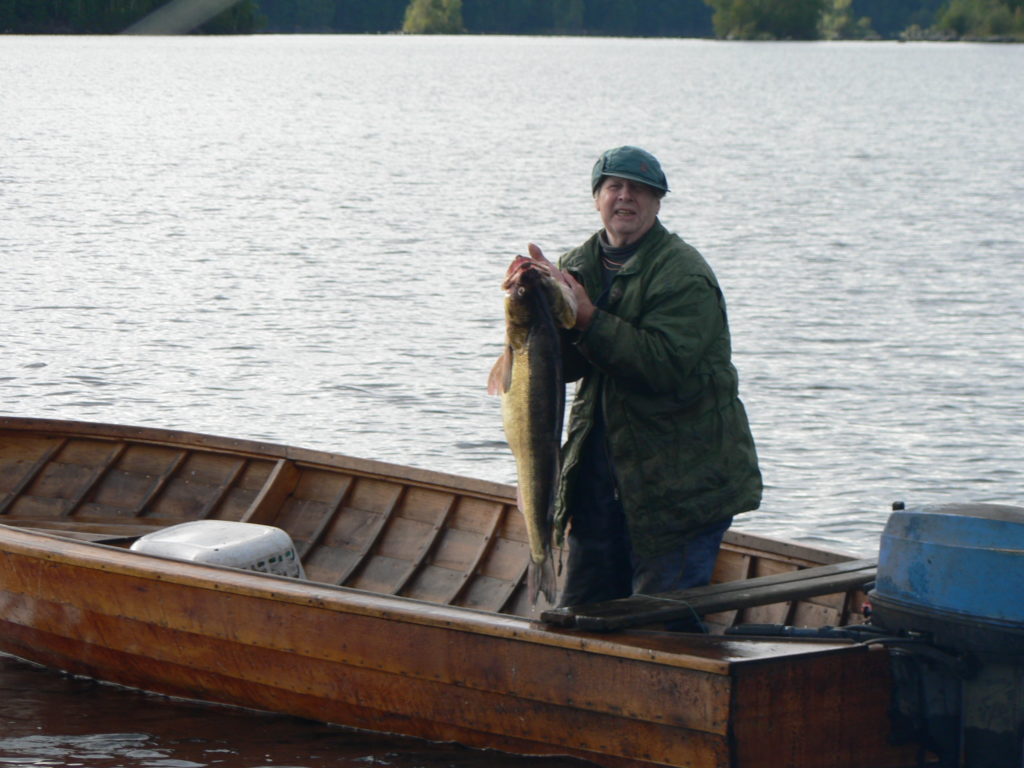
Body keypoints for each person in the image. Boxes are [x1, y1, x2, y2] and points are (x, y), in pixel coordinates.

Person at [540, 146, 762, 616]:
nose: (626, 198)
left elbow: (664, 365)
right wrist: (534, 308)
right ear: (596, 197)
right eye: (614, 187)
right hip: (600, 483)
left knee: (662, 624)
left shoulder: (683, 273)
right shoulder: (576, 263)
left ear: (658, 202)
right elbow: (569, 368)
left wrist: (587, 319)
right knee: (580, 618)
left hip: (679, 488)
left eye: (639, 189)